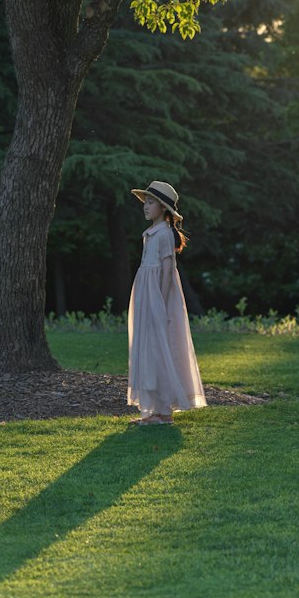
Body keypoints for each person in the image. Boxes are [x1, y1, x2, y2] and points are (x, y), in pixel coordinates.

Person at [127, 180, 206, 425]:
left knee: (160, 347)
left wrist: (159, 303)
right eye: (145, 202)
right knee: (149, 348)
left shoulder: (163, 235)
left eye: (151, 202)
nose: (146, 207)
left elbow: (167, 271)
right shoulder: (150, 234)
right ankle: (153, 410)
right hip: (147, 294)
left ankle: (163, 411)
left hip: (157, 297)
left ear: (163, 207)